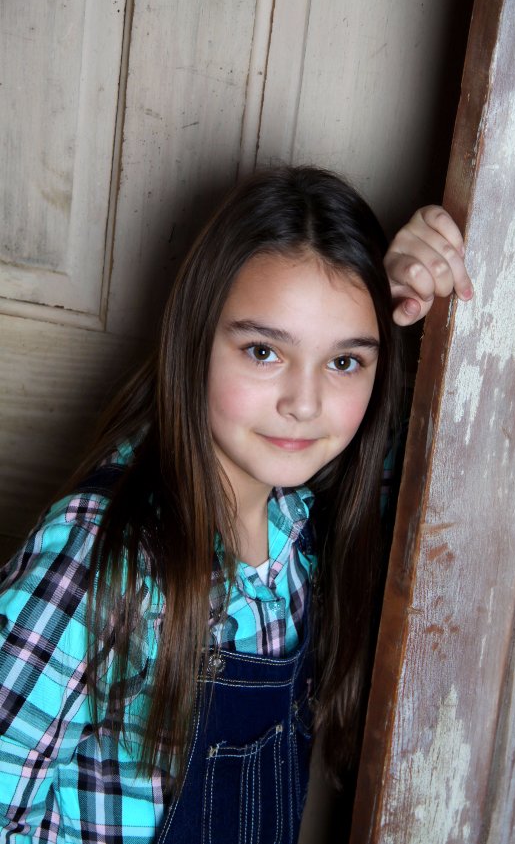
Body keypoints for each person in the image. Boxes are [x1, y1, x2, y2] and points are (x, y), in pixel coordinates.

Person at [0, 166, 471, 844]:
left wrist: (394, 297)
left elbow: (425, 482)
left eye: (344, 362)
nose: (303, 404)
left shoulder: (300, 524)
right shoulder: (103, 555)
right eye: (263, 351)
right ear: (195, 339)